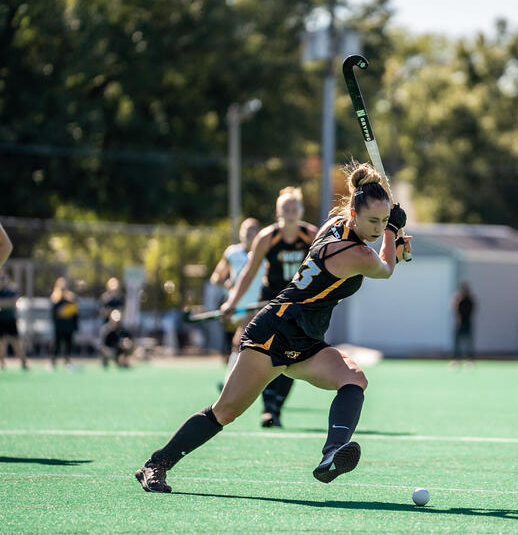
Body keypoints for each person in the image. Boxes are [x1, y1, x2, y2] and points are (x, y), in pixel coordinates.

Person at [135, 161, 411, 493]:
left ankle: (331, 454)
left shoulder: (334, 226)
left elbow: (383, 257)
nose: (378, 227)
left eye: (383, 221)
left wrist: (391, 241)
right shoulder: (354, 253)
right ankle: (155, 465)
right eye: (373, 221)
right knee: (225, 411)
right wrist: (394, 235)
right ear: (353, 215)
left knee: (354, 379)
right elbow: (383, 269)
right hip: (273, 332)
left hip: (306, 340)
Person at [224, 187, 317, 428]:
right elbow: (249, 272)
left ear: (301, 210)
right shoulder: (267, 237)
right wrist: (232, 302)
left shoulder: (311, 236)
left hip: (299, 305)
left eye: (294, 208)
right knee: (264, 355)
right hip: (271, 303)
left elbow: (325, 270)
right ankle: (268, 408)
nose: (290, 212)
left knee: (293, 358)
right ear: (278, 211)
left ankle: (275, 406)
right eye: (285, 208)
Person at [209, 217, 264, 372]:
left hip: (258, 305)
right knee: (239, 343)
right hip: (236, 306)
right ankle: (233, 382)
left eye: (252, 231)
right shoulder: (232, 253)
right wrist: (225, 282)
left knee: (241, 341)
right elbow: (216, 277)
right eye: (245, 230)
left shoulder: (264, 254)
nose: (248, 234)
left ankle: (233, 382)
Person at [50, 277, 79, 371]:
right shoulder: (55, 298)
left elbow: (75, 313)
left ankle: (68, 362)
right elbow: (54, 313)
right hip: (59, 326)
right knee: (56, 344)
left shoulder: (70, 298)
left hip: (68, 326)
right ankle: (53, 361)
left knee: (68, 345)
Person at [0, 269, 28, 370]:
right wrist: (7, 303)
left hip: (10, 320)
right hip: (0, 320)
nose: (2, 280)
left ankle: (23, 363)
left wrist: (4, 303)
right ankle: (2, 364)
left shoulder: (12, 290)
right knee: (1, 343)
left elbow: (14, 302)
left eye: (3, 278)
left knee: (16, 342)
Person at [451, 281, 476, 366]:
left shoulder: (469, 300)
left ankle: (469, 360)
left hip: (467, 324)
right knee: (457, 343)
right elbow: (454, 309)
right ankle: (456, 360)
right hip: (459, 324)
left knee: (468, 343)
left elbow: (472, 310)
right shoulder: (457, 299)